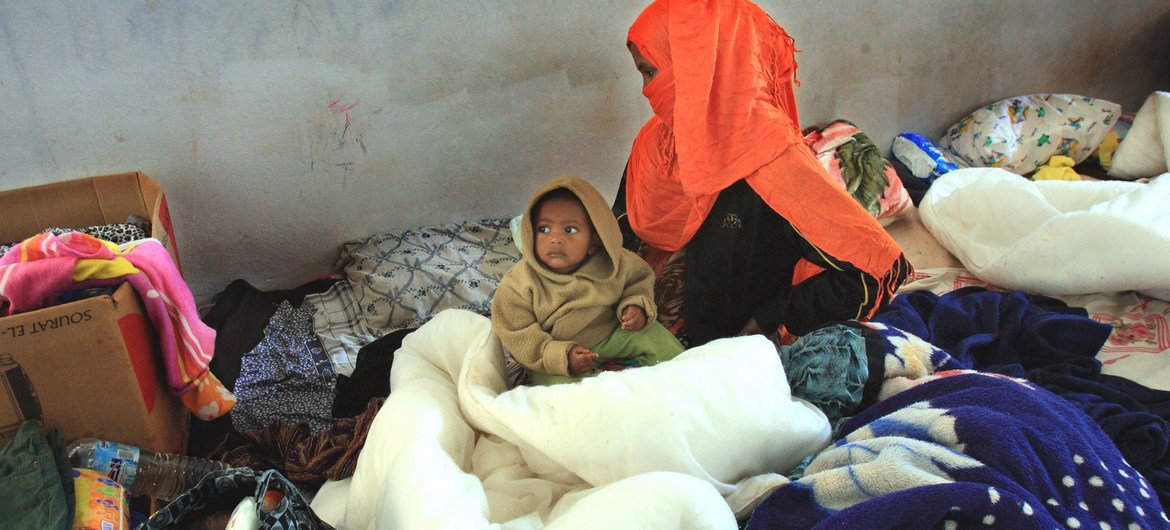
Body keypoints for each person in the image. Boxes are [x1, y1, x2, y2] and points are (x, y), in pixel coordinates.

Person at [613, 0, 912, 347]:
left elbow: (872, 270)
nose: (646, 90)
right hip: (636, 333)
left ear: (698, 67)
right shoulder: (658, 142)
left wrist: (768, 319)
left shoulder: (773, 162)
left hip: (724, 354)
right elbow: (619, 232)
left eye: (651, 72)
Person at [492, 176, 685, 385]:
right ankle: (601, 404)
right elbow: (518, 334)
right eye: (544, 229)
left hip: (612, 333)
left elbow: (637, 281)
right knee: (555, 387)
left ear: (594, 239)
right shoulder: (517, 284)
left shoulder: (615, 262)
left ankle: (688, 376)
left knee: (653, 335)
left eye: (570, 230)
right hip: (557, 351)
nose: (555, 238)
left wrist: (635, 305)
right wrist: (559, 356)